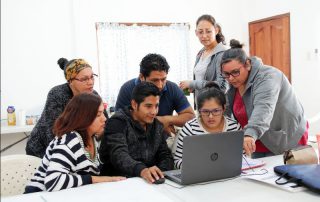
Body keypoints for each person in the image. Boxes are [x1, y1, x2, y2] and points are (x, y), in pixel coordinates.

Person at [220, 39, 308, 158]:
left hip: (286, 137)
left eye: (235, 72)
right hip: (258, 140)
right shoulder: (234, 83)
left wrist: (250, 134)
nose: (230, 78)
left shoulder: (268, 77)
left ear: (248, 64)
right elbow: (225, 110)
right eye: (226, 74)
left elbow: (263, 108)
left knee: (287, 175)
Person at [25, 93, 125, 193]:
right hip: (38, 195)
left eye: (103, 113)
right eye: (98, 115)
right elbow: (53, 181)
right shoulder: (69, 139)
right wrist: (95, 179)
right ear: (83, 117)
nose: (104, 119)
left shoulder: (93, 138)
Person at [26, 58, 105, 158]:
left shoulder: (94, 96)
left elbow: (105, 123)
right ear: (70, 81)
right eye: (84, 79)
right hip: (42, 149)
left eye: (92, 77)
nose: (90, 82)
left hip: (75, 148)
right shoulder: (57, 94)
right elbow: (53, 130)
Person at [99, 82, 174, 184]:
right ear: (134, 104)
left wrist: (158, 173)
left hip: (148, 182)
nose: (154, 112)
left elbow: (165, 155)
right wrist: (143, 170)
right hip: (118, 183)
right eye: (148, 106)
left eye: (156, 106)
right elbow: (119, 156)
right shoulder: (117, 122)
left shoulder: (156, 125)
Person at [115, 53, 195, 135]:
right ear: (142, 77)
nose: (160, 85)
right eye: (154, 80)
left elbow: (191, 117)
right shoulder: (127, 89)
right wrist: (157, 124)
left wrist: (167, 120)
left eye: (163, 79)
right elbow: (118, 123)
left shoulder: (172, 88)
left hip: (164, 141)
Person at [174, 82, 241, 169]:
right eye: (205, 111)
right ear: (199, 110)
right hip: (198, 176)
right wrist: (199, 167)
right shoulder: (190, 128)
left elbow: (242, 158)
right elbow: (178, 161)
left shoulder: (234, 127)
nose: (210, 116)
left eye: (216, 111)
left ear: (224, 108)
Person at [179, 14, 228, 104]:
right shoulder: (200, 53)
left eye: (208, 31)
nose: (204, 36)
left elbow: (222, 86)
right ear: (196, 33)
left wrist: (192, 83)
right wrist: (192, 88)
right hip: (202, 106)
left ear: (216, 30)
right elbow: (202, 82)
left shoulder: (223, 54)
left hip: (217, 107)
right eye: (200, 32)